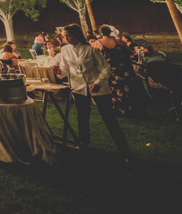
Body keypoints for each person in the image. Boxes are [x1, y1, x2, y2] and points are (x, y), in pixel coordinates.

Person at [54, 23, 133, 162]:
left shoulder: (90, 50)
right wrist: (58, 72)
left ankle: (125, 151)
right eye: (65, 36)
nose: (66, 38)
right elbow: (65, 69)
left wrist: (98, 82)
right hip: (78, 88)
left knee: (109, 119)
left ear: (76, 35)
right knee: (82, 118)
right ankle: (84, 145)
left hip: (98, 88)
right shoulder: (65, 50)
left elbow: (105, 68)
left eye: (68, 36)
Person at [94, 25, 145, 117]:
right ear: (110, 32)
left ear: (101, 33)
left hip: (112, 70)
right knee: (129, 88)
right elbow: (130, 51)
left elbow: (95, 55)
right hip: (124, 68)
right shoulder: (118, 41)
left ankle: (120, 110)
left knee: (116, 90)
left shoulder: (98, 43)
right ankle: (134, 109)